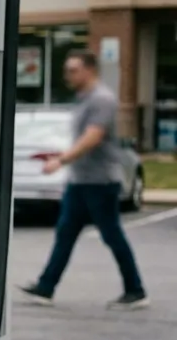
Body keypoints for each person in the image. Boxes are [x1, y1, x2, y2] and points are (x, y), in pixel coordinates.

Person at [19, 51, 148, 310]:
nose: (68, 75)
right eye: (67, 70)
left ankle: (135, 290)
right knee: (65, 234)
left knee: (112, 235)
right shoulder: (84, 99)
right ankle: (45, 287)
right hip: (80, 182)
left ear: (90, 70)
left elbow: (93, 137)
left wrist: (61, 160)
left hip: (100, 183)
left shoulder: (101, 99)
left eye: (73, 70)